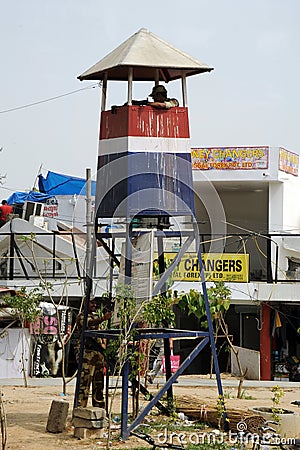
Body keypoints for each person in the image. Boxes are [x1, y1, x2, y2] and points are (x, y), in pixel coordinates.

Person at [76, 297, 112, 408]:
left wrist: (104, 346)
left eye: (95, 303)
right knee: (85, 381)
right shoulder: (82, 316)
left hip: (98, 352)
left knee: (99, 382)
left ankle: (99, 406)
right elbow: (89, 324)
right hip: (87, 352)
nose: (94, 305)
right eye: (92, 303)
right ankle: (80, 407)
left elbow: (100, 332)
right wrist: (103, 318)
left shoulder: (96, 316)